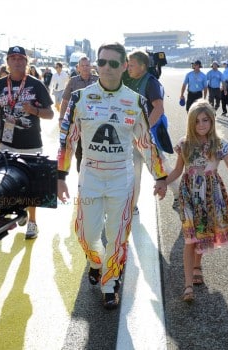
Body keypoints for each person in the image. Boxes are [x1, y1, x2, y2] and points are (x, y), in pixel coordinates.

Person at [57, 42, 167, 310]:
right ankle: (96, 262)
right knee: (85, 233)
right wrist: (60, 175)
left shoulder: (136, 100)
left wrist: (160, 176)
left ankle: (110, 283)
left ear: (124, 67)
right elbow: (67, 140)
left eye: (113, 63)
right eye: (102, 62)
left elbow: (145, 143)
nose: (106, 67)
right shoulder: (79, 98)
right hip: (91, 176)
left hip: (121, 178)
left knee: (117, 235)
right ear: (96, 65)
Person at [165, 99, 228, 303]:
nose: (201, 125)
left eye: (206, 120)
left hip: (210, 196)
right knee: (189, 237)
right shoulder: (184, 143)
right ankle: (187, 286)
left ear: (212, 121)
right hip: (189, 196)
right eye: (197, 121)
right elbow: (178, 170)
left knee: (201, 232)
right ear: (190, 123)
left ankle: (197, 265)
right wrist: (162, 183)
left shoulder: (219, 145)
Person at [0, 45, 54, 239]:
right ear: (8, 62)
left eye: (20, 58)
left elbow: (50, 114)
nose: (17, 61)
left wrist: (34, 111)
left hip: (31, 143)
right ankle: (13, 212)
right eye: (13, 58)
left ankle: (32, 222)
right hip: (5, 143)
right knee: (4, 181)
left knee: (31, 187)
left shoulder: (36, 84)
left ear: (26, 61)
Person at [126, 49, 180, 214]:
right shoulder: (129, 80)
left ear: (142, 66)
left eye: (132, 65)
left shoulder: (150, 82)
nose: (128, 67)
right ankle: (132, 206)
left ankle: (179, 195)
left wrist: (146, 129)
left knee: (162, 169)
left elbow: (159, 108)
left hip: (147, 138)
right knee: (134, 172)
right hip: (131, 137)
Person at [59, 56, 99, 171]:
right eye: (83, 66)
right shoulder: (73, 81)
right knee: (79, 154)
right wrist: (61, 119)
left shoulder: (98, 80)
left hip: (95, 125)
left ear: (91, 66)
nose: (85, 68)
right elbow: (65, 101)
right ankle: (81, 182)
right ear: (78, 68)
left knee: (94, 154)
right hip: (78, 125)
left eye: (87, 65)